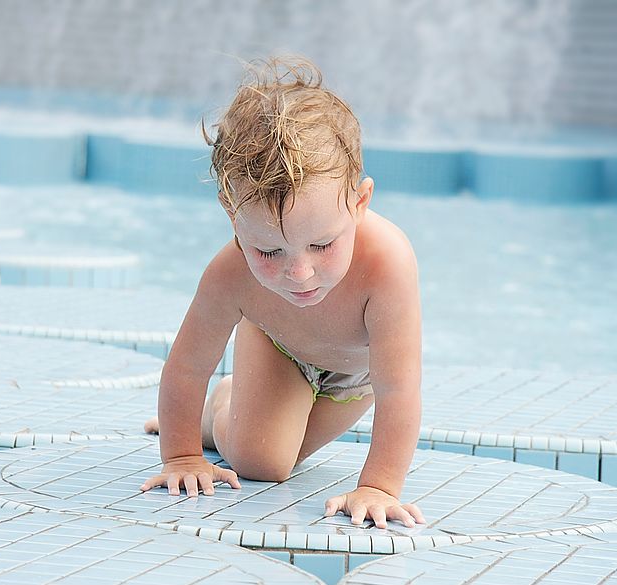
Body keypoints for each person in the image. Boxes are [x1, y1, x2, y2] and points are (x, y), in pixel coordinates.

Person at [140, 56, 424, 529]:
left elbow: (399, 387)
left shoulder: (387, 263)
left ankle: (234, 407)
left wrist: (377, 486)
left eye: (322, 244)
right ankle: (219, 416)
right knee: (262, 463)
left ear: (360, 202)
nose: (300, 272)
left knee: (279, 451)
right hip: (278, 345)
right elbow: (187, 367)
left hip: (354, 380)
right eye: (268, 250)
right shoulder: (230, 273)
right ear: (233, 216)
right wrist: (183, 453)